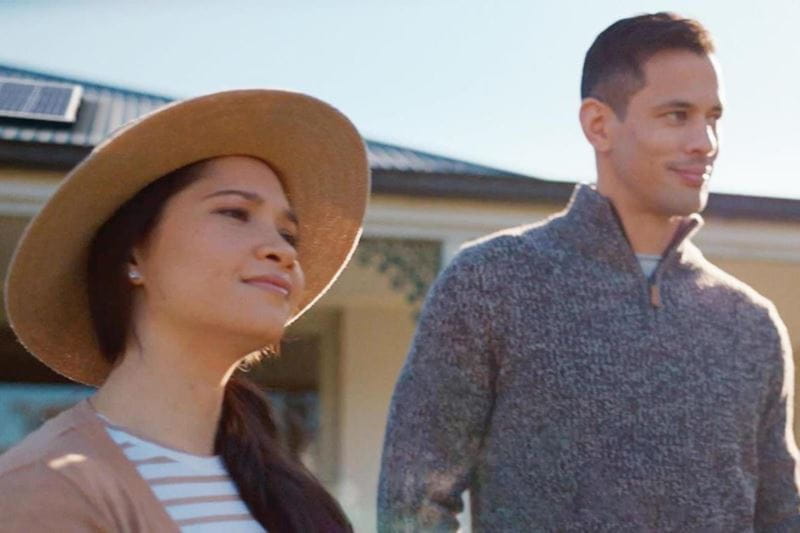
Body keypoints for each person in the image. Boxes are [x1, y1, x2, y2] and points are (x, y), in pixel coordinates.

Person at [378, 12, 800, 531]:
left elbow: (781, 515)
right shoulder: (489, 283)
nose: (705, 142)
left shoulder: (752, 324)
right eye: (677, 115)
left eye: (713, 117)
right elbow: (412, 504)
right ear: (599, 125)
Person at [0, 89, 369, 532]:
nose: (281, 251)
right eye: (234, 213)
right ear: (133, 253)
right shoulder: (44, 489)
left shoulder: (282, 487)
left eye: (289, 235)